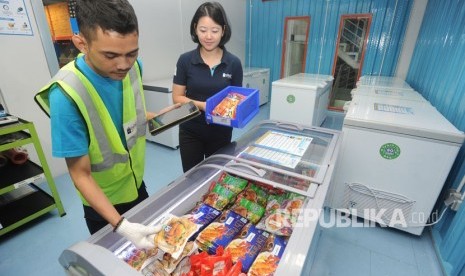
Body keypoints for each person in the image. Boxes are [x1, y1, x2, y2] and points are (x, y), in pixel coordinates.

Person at [34, 0, 161, 249]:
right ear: (81, 43)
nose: (124, 64)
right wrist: (120, 225)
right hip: (103, 205)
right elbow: (80, 174)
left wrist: (149, 116)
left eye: (131, 52)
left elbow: (124, 112)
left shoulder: (134, 68)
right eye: (110, 55)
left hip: (136, 183)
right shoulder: (67, 95)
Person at [172, 1, 243, 172]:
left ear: (223, 30)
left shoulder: (233, 63)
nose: (208, 36)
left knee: (217, 177)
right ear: (195, 28)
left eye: (215, 30)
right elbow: (177, 97)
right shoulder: (185, 60)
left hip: (221, 132)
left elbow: (236, 100)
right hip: (191, 131)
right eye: (203, 30)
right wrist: (205, 106)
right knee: (191, 178)